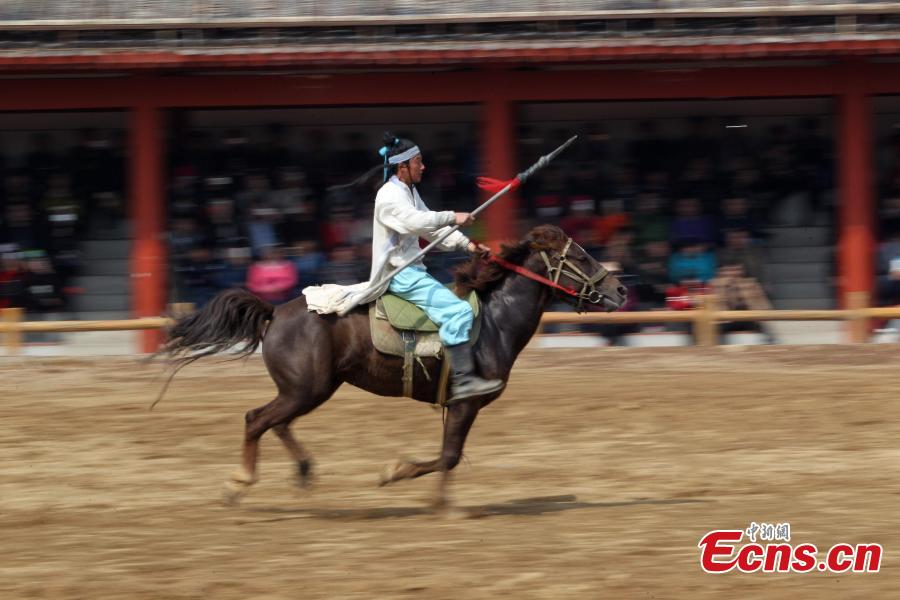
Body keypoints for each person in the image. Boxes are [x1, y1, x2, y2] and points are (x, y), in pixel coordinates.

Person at [303, 132, 503, 405]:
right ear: (403, 166)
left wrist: (467, 245)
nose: (424, 167)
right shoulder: (388, 196)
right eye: (419, 162)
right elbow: (416, 222)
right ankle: (465, 380)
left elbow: (432, 230)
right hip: (400, 275)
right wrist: (453, 215)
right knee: (459, 311)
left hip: (413, 272)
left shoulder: (408, 190)